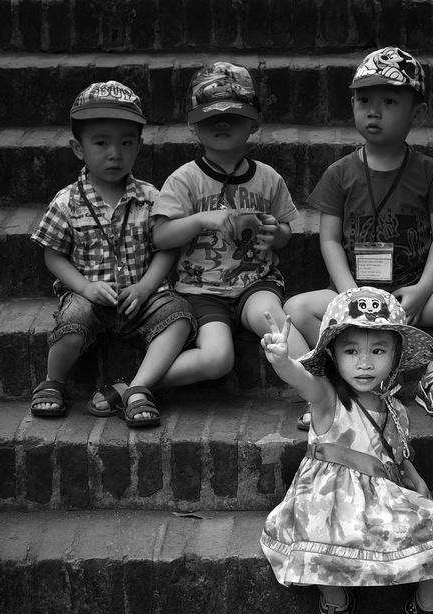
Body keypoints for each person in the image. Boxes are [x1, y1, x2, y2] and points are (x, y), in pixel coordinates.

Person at [285, 46, 433, 427]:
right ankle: (329, 386)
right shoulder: (339, 173)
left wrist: (424, 290)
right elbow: (329, 240)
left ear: (418, 114)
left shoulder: (429, 171)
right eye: (364, 100)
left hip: (410, 296)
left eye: (389, 101)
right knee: (293, 310)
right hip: (351, 295)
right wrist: (350, 296)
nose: (373, 111)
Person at [260, 286, 433, 614]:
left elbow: (396, 453)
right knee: (316, 533)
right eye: (351, 351)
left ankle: (427, 605)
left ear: (395, 356)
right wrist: (282, 361)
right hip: (328, 498)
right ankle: (335, 602)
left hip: (380, 494)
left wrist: (415, 477)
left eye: (378, 351)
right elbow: (301, 380)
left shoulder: (394, 408)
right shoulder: (326, 397)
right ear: (333, 355)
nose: (364, 363)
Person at [29, 81, 195, 426]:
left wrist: (146, 287)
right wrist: (85, 287)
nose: (115, 153)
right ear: (78, 148)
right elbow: (53, 255)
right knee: (72, 322)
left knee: (179, 316)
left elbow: (165, 248)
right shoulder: (67, 202)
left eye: (126, 143)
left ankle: (139, 389)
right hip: (89, 297)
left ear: (139, 146)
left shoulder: (151, 198)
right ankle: (53, 381)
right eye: (101, 143)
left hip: (141, 298)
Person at [151, 61, 308, 391]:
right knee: (217, 358)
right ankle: (139, 386)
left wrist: (275, 232)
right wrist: (200, 219)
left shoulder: (268, 178)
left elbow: (285, 234)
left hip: (256, 283)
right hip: (201, 292)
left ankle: (318, 391)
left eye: (234, 115)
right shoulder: (184, 180)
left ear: (255, 122)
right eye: (210, 116)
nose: (221, 122)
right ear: (192, 124)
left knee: (273, 320)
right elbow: (161, 237)